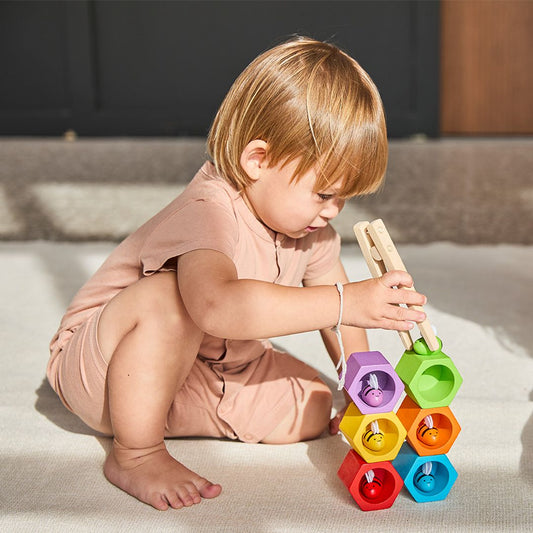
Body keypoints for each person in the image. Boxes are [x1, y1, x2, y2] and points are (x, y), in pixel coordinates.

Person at [47, 36, 427, 511]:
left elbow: (341, 314)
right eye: (324, 194)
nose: (334, 211)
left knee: (314, 406)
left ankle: (158, 407)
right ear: (257, 161)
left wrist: (360, 386)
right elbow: (218, 307)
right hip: (99, 368)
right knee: (169, 297)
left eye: (344, 198)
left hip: (204, 366)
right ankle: (136, 451)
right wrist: (347, 301)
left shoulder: (312, 232)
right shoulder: (208, 211)